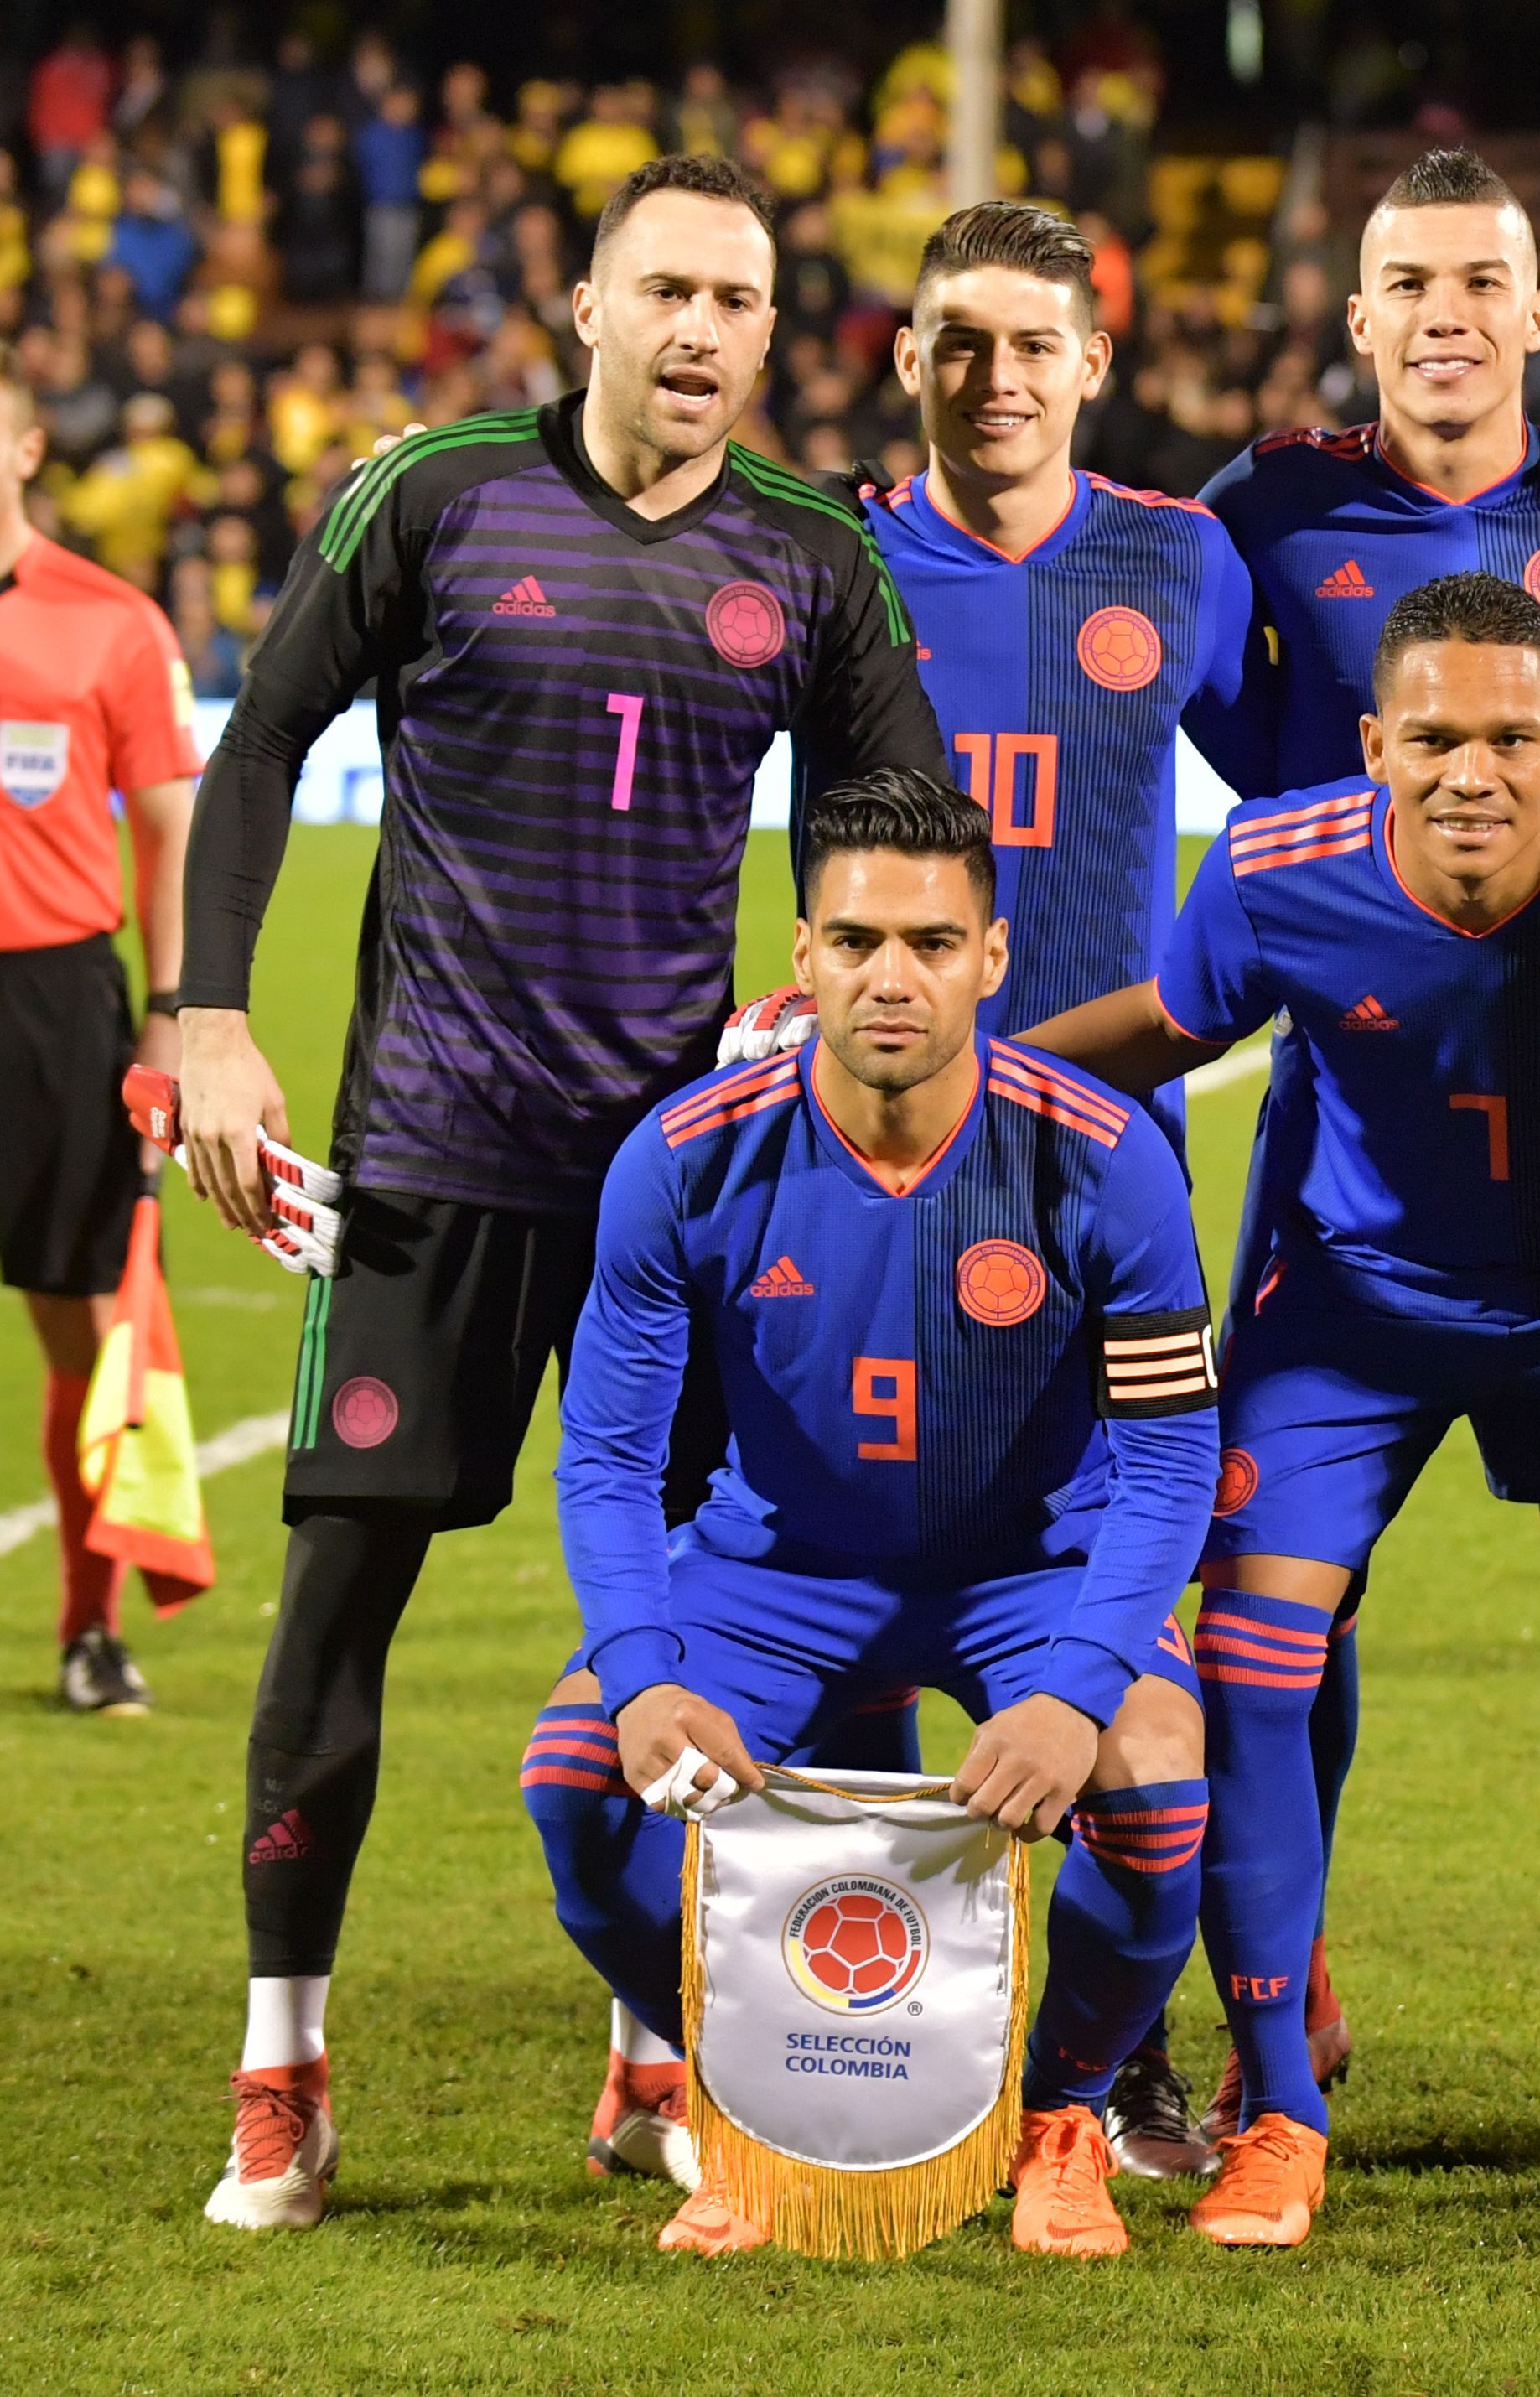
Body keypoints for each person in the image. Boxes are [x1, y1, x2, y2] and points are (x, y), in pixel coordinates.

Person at [173, 153, 946, 2232]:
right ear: (586, 311)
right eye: (666, 290)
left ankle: (655, 2052)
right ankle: (283, 2072)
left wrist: (824, 987)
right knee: (343, 1603)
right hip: (420, 1164)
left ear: (771, 342)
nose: (700, 330)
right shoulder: (432, 493)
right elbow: (257, 750)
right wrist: (209, 1020)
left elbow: (899, 821)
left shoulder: (810, 555)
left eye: (739, 302)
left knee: (704, 1625)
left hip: (679, 1195)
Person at [1015, 574, 1540, 2260]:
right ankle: (1277, 2111)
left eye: (1512, 736)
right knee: (1249, 1651)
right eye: (1436, 736)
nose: (1473, 770)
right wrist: (965, 1072)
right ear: (1375, 740)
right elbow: (1170, 1026)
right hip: (1360, 1306)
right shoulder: (1275, 864)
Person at [705, 197, 1279, 2179]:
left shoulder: (1181, 561)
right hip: (846, 1180)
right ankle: (826, 2043)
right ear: (905, 357)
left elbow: (1298, 806)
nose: (996, 376)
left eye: (1034, 342)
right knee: (842, 1600)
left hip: (1104, 1179)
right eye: (959, 339)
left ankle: (1168, 2032)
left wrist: (1176, 1007)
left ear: (1093, 365)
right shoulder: (835, 556)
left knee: (1155, 1607)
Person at [526, 769, 1221, 2260]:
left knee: (1157, 1774)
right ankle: (752, 2099)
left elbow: (1170, 1466)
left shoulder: (1106, 1157)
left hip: (1031, 1571)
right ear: (803, 959)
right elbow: (604, 1458)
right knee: (575, 1780)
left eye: (926, 942)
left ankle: (1055, 2120)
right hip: (778, 1573)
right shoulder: (682, 1159)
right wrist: (645, 1668)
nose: (888, 978)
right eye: (853, 944)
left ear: (993, 956)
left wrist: (1079, 1689)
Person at [1196, 150, 1540, 2157]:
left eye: (1477, 280)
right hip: (1352, 1087)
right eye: (1404, 280)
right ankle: (1286, 1979)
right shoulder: (1264, 512)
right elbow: (1240, 764)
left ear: (1536, 310)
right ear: (1354, 312)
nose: (1441, 315)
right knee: (1288, 1578)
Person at [0, 362, 202, 1717]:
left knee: (82, 1330)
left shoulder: (110, 622)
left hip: (51, 1009)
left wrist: (176, 1015)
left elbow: (173, 824)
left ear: (24, 442)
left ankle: (89, 1625)